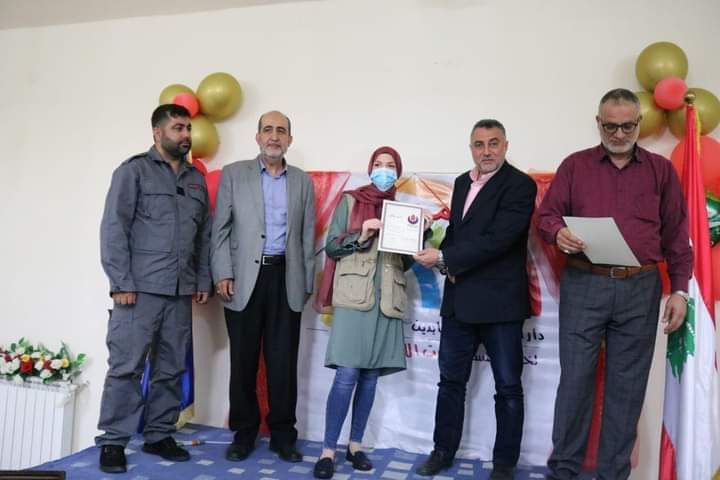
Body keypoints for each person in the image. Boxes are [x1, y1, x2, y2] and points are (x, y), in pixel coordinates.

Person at [537, 88, 692, 479]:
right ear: (598, 123)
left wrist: (680, 290)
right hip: (584, 283)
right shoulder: (575, 166)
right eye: (610, 126)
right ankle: (564, 470)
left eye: (627, 126)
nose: (619, 134)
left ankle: (613, 474)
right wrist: (558, 233)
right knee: (575, 381)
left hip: (640, 289)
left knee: (627, 387)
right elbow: (547, 216)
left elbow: (677, 234)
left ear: (639, 123)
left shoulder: (660, 171)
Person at [413, 119, 537, 480]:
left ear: (505, 146)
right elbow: (456, 233)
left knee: (508, 388)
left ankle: (504, 464)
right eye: (479, 144)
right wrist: (442, 258)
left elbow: (500, 239)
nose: (486, 151)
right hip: (459, 301)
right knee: (450, 382)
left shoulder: (520, 185)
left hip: (501, 305)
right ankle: (442, 451)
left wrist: (446, 258)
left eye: (493, 143)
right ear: (471, 148)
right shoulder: (462, 183)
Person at [96, 104, 211, 474]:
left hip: (180, 290)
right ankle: (114, 440)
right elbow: (114, 228)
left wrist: (202, 280)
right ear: (157, 133)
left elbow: (204, 237)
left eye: (188, 128)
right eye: (178, 128)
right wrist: (121, 282)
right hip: (139, 290)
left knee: (171, 367)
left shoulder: (195, 180)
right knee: (126, 367)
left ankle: (159, 433)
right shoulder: (133, 171)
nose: (186, 134)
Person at [312, 146, 433, 479]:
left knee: (368, 379)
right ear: (370, 168)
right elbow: (333, 247)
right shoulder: (350, 201)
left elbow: (405, 263)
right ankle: (327, 451)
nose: (384, 170)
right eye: (378, 164)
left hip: (386, 301)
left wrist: (420, 233)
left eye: (390, 165)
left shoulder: (403, 210)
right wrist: (362, 234)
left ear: (398, 171)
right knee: (346, 376)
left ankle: (355, 446)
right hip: (354, 299)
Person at [211, 110, 316, 463]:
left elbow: (307, 236)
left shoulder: (302, 181)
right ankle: (244, 433)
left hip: (286, 279)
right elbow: (220, 230)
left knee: (283, 363)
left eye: (281, 131)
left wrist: (307, 282)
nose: (274, 136)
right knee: (242, 361)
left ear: (290, 139)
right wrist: (222, 273)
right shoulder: (234, 174)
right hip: (242, 281)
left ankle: (283, 436)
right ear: (257, 137)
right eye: (268, 130)